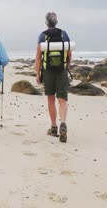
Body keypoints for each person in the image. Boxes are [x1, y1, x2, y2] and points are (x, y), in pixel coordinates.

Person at [35, 12, 72, 143]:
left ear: (46, 23)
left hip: (48, 72)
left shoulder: (42, 36)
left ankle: (54, 127)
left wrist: (37, 73)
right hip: (61, 70)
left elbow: (39, 57)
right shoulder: (64, 34)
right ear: (56, 22)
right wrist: (67, 66)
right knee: (62, 99)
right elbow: (69, 53)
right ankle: (63, 123)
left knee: (51, 99)